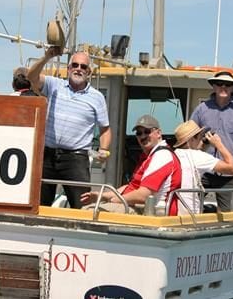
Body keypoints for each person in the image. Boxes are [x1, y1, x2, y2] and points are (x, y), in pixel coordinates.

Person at [26, 48, 112, 208]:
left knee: (82, 207)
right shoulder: (53, 84)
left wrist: (104, 149)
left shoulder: (97, 97)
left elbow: (105, 129)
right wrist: (46, 57)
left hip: (76, 159)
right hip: (47, 156)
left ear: (89, 72)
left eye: (83, 67)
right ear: (69, 68)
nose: (79, 69)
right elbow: (31, 77)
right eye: (75, 65)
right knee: (38, 206)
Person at [80, 115, 182, 216]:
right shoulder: (148, 156)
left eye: (147, 132)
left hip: (153, 212)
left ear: (158, 133)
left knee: (88, 212)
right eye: (139, 133)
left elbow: (143, 195)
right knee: (87, 209)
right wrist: (101, 196)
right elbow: (131, 187)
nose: (143, 136)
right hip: (141, 206)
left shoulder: (162, 156)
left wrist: (115, 200)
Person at [190, 71, 233, 212]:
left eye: (228, 85)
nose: (223, 87)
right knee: (188, 207)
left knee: (231, 217)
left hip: (230, 175)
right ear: (213, 86)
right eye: (219, 84)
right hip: (204, 172)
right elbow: (190, 137)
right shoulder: (201, 109)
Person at [173, 120, 233, 215]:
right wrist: (219, 144)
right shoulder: (197, 156)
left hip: (175, 211)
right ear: (191, 140)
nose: (202, 140)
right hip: (191, 214)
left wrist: (203, 145)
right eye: (200, 137)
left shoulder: (173, 154)